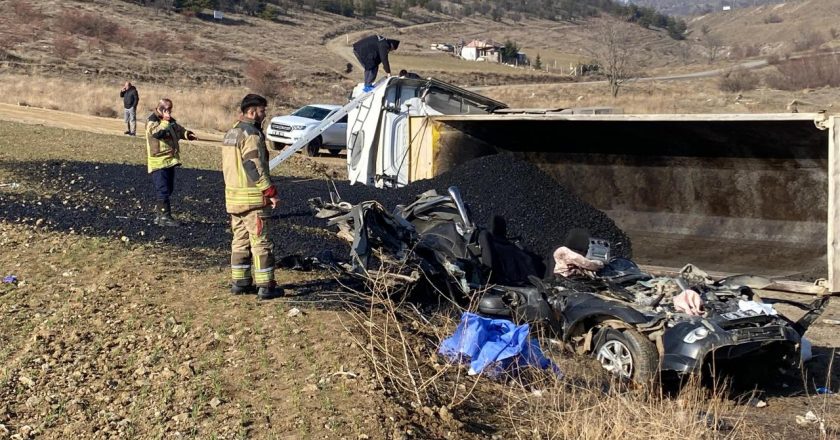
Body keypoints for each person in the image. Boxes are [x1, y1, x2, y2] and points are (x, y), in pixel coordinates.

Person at [222, 94, 284, 300]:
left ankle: (240, 283)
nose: (264, 114)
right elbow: (253, 165)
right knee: (261, 242)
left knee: (239, 241)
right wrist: (270, 191)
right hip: (253, 199)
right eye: (262, 110)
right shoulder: (251, 135)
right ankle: (266, 286)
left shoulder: (231, 133)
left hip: (234, 198)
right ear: (251, 111)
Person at [144, 98, 196, 227]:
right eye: (167, 109)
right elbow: (158, 134)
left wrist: (187, 134)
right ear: (161, 109)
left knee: (169, 188)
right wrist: (165, 121)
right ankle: (164, 216)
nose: (169, 112)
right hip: (158, 162)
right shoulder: (152, 122)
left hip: (169, 161)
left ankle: (160, 215)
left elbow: (178, 130)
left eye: (170, 110)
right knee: (163, 189)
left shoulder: (170, 121)